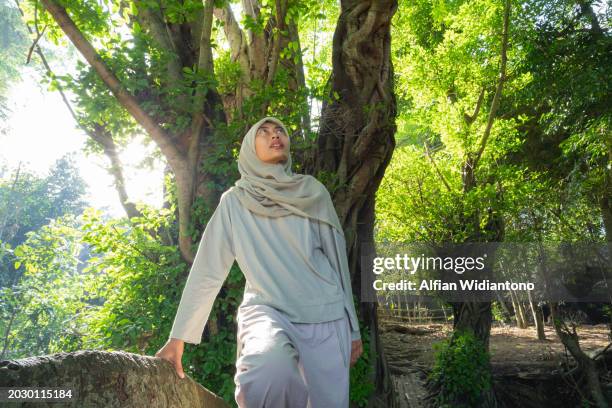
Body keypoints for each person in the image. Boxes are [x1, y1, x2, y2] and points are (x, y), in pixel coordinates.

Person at [155, 116, 363, 407]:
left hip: (326, 315)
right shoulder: (234, 202)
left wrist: (352, 328)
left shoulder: (312, 192)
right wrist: (179, 337)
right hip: (268, 309)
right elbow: (208, 270)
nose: (274, 135)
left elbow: (338, 261)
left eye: (280, 130)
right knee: (267, 372)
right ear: (249, 149)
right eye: (263, 132)